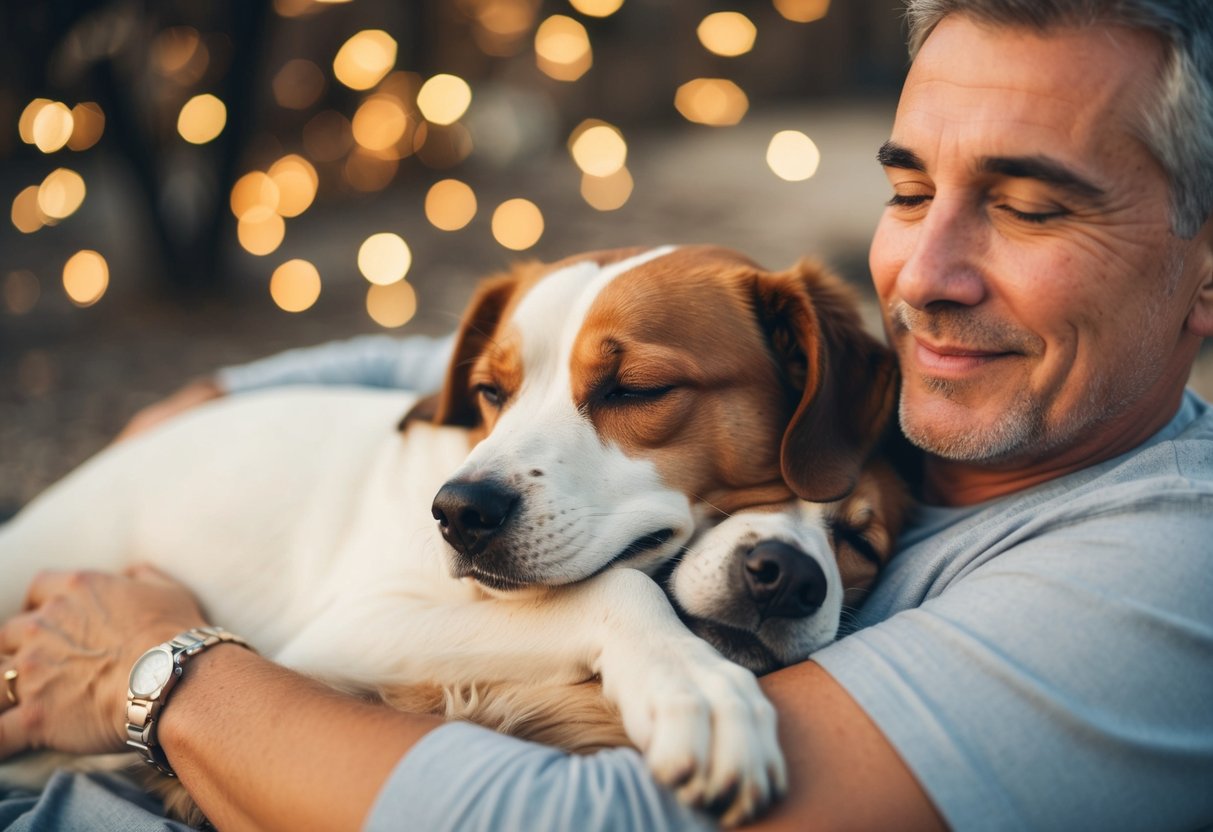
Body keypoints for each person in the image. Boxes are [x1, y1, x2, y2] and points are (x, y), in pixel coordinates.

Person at [3, 0, 1212, 829]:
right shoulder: (878, 389)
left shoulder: (1159, 576)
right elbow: (514, 367)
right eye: (907, 188)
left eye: (1032, 207)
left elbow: (597, 819)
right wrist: (225, 395)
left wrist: (156, 670)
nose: (924, 276)